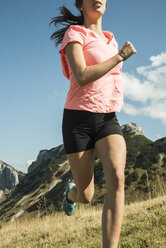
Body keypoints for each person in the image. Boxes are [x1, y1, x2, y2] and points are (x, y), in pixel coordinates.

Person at [50, 1, 136, 247]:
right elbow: (82, 75)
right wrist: (120, 57)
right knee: (86, 195)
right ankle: (70, 194)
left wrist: (117, 55)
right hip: (78, 119)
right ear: (81, 4)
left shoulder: (111, 39)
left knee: (117, 178)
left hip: (108, 118)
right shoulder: (74, 34)